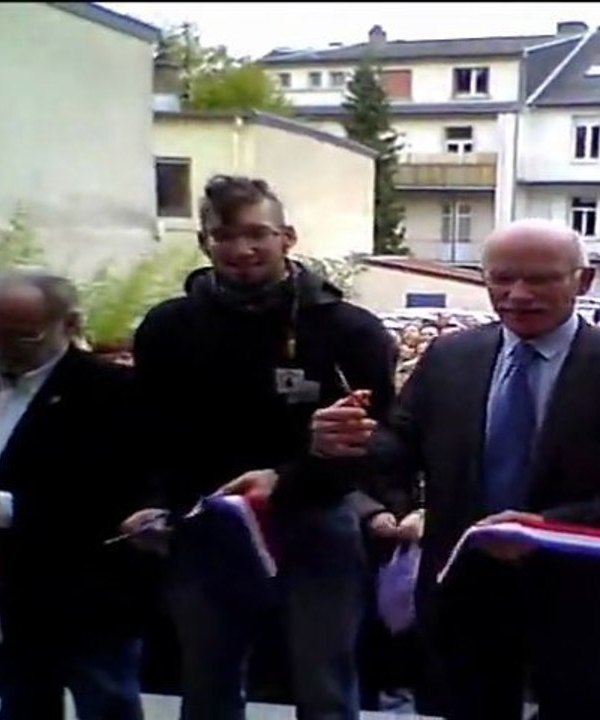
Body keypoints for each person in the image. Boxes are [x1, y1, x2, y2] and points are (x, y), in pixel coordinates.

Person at [311, 219, 600, 720]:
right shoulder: (453, 356)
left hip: (585, 601)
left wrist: (553, 529)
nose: (518, 294)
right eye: (502, 278)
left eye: (540, 280)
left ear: (584, 280)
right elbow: (401, 445)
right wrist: (347, 440)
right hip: (464, 592)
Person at [124, 175, 398, 719]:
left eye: (257, 234)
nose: (242, 249)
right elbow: (145, 431)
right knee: (206, 679)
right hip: (203, 522)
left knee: (324, 682)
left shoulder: (349, 331)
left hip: (316, 519)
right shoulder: (167, 327)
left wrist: (291, 477)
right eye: (224, 235)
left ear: (288, 237)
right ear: (204, 242)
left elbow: (377, 443)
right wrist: (148, 500)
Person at [0, 271, 151, 720]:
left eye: (22, 337)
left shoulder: (109, 391)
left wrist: (9, 509)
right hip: (13, 583)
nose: (4, 348)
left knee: (105, 697)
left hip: (88, 581)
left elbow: (107, 489)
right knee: (22, 699)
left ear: (69, 325)